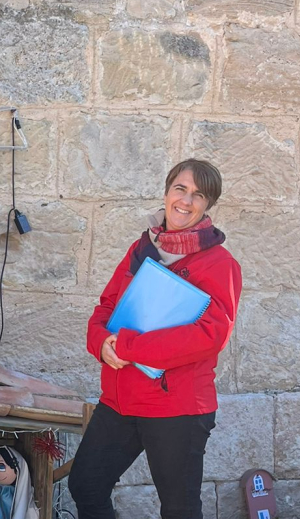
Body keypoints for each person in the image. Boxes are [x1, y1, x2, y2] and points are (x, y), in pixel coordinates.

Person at [68, 159, 243, 519]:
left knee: (179, 510)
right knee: (86, 485)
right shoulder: (141, 248)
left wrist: (127, 346)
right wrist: (101, 343)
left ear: (208, 205)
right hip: (120, 400)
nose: (186, 200)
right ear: (166, 193)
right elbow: (107, 307)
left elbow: (210, 335)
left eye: (198, 195)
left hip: (176, 406)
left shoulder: (219, 263)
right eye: (180, 189)